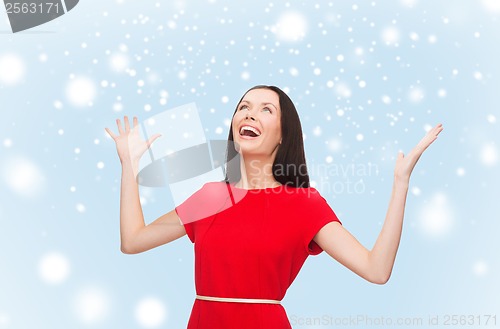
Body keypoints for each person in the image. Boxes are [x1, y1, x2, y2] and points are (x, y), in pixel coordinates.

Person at [105, 85, 444, 328]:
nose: (250, 113)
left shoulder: (304, 205)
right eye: (244, 107)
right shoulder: (209, 198)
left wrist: (400, 182)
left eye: (266, 109)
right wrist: (129, 166)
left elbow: (376, 270)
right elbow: (133, 241)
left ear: (283, 134)